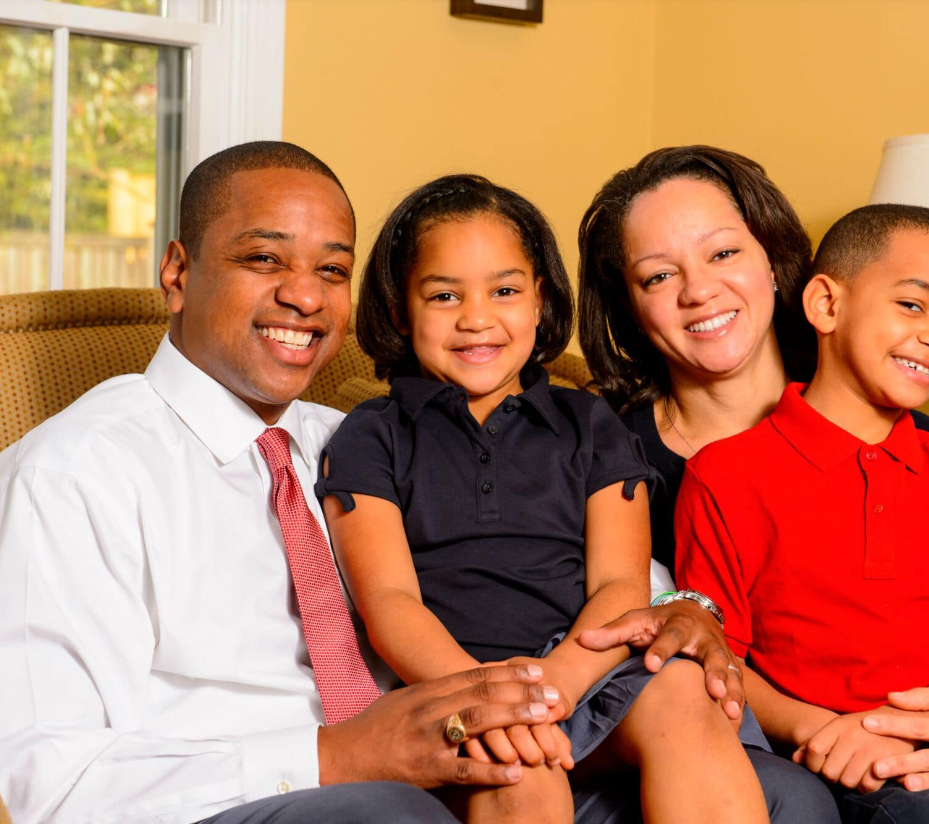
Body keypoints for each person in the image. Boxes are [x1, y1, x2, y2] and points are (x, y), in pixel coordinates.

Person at [0, 141, 739, 824]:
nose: (304, 294)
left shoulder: (341, 439)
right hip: (255, 795)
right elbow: (23, 784)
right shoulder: (67, 477)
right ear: (178, 273)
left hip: (457, 747)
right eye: (263, 258)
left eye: (331, 269)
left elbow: (583, 568)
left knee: (778, 792)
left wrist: (683, 615)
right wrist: (334, 754)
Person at [577, 144, 929, 819]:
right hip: (782, 764)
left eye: (723, 253)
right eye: (657, 275)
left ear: (774, 260)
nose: (698, 289)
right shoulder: (604, 460)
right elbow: (687, 662)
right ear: (628, 303)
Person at [317, 174, 769, 824]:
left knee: (682, 693)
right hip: (457, 678)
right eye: (444, 295)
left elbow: (620, 582)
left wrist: (555, 684)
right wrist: (494, 699)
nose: (477, 317)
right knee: (516, 767)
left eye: (504, 291)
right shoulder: (372, 435)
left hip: (587, 665)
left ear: (539, 301)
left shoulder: (591, 424)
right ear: (398, 310)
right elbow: (390, 604)